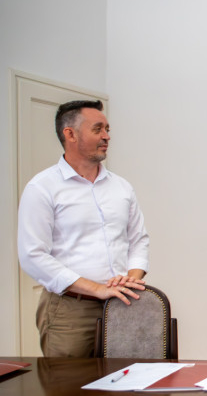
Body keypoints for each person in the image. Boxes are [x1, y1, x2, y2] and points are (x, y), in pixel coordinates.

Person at [18, 100, 150, 357]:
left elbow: (139, 240)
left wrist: (130, 280)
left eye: (107, 129)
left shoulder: (121, 187)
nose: (106, 136)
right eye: (97, 129)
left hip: (122, 306)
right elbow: (32, 256)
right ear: (70, 134)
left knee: (123, 379)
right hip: (70, 311)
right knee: (69, 382)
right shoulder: (42, 188)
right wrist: (97, 289)